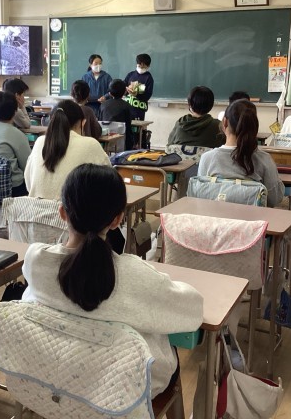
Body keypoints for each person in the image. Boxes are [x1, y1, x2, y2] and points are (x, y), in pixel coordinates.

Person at [22, 164, 203, 398]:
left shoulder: (36, 260)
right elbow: (193, 310)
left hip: (55, 378)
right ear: (117, 219)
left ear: (62, 213)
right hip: (121, 392)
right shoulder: (136, 275)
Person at [198, 100, 284, 207]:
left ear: (224, 122)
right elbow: (274, 199)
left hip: (215, 216)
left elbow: (200, 195)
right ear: (253, 127)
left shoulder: (207, 158)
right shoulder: (264, 160)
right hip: (253, 217)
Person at [24, 100, 110, 200]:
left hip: (34, 207)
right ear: (83, 123)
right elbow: (110, 182)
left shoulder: (40, 141)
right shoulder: (90, 144)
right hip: (72, 209)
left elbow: (28, 180)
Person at [99, 79, 133, 151]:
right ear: (124, 92)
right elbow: (128, 125)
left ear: (110, 93)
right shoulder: (126, 105)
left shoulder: (103, 105)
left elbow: (100, 121)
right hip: (122, 143)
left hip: (105, 142)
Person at [123, 53, 154, 120]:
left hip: (139, 109)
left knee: (137, 126)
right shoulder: (130, 74)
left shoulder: (149, 78)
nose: (141, 68)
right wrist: (126, 90)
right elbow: (123, 86)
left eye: (143, 67)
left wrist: (136, 94)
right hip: (127, 107)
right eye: (139, 66)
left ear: (148, 66)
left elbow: (148, 95)